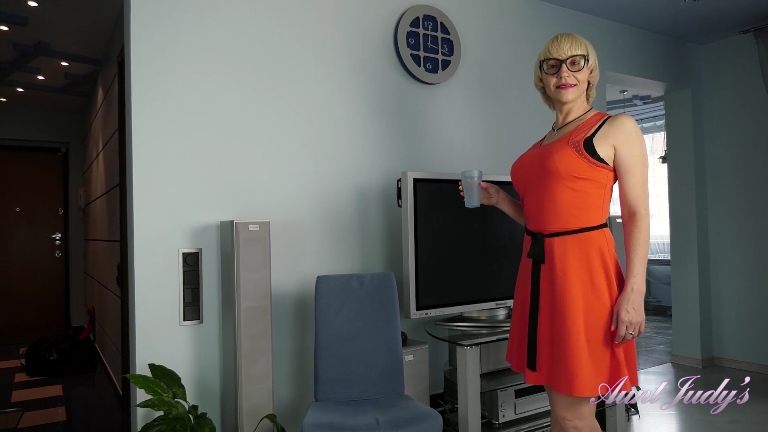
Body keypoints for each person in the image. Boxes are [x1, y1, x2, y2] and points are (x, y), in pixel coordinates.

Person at [460, 33, 648, 432]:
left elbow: (636, 213)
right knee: (559, 412)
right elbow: (544, 221)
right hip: (539, 277)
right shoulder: (543, 142)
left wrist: (634, 292)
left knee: (572, 415)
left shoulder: (616, 127)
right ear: (542, 79)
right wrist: (500, 201)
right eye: (553, 65)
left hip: (583, 277)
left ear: (590, 72)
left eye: (575, 63)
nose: (564, 72)